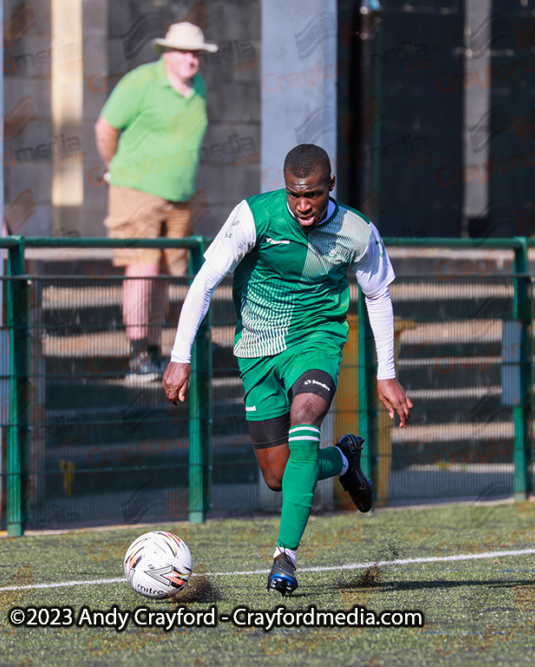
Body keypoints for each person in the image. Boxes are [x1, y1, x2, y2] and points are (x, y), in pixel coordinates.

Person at [162, 144, 413, 595]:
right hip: (258, 349)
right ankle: (342, 460)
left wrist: (386, 372)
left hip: (316, 342)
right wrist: (180, 355)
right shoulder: (253, 217)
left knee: (307, 415)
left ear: (330, 185)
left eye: (313, 195)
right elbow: (205, 281)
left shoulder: (357, 231)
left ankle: (285, 556)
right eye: (295, 194)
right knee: (278, 476)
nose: (303, 205)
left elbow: (377, 296)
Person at [95, 22, 217, 381]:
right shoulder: (139, 82)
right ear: (165, 52)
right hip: (136, 190)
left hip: (179, 198)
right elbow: (105, 128)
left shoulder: (199, 88)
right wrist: (113, 168)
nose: (190, 59)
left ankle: (153, 350)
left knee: (165, 273)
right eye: (182, 51)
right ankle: (136, 356)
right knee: (142, 268)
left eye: (196, 53)